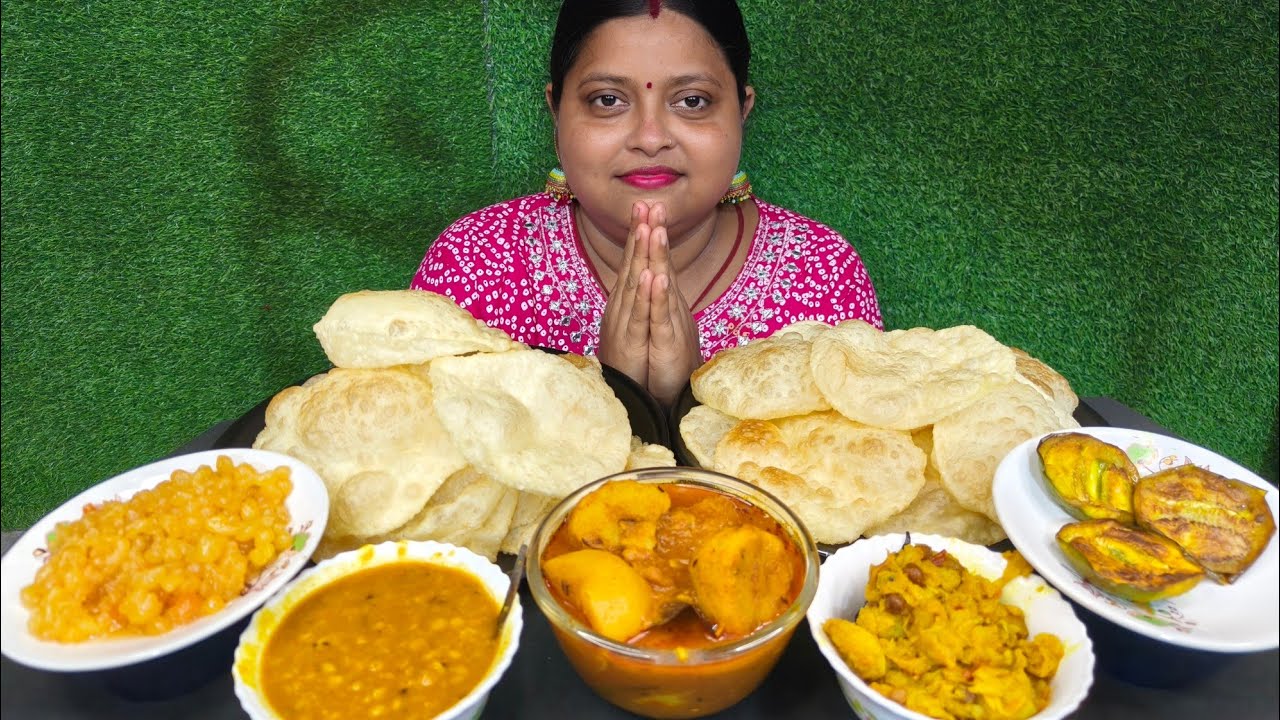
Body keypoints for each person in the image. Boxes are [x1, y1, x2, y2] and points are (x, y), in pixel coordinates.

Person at [411, 0, 882, 407]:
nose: (651, 138)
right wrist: (611, 396)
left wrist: (693, 402)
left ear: (742, 111)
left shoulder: (821, 275)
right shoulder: (477, 259)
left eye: (693, 101)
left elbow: (845, 490)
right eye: (609, 100)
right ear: (556, 112)